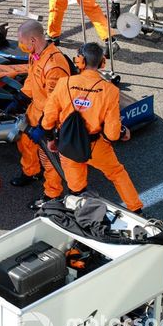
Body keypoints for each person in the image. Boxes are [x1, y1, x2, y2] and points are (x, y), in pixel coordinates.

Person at [41, 42, 143, 212]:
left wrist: (52, 140)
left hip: (69, 145)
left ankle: (84, 219)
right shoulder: (110, 91)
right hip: (97, 146)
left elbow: (47, 119)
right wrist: (123, 131)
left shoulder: (63, 83)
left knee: (76, 190)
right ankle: (136, 210)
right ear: (102, 62)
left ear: (80, 61)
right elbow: (112, 133)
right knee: (117, 173)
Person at [8, 20, 72, 210]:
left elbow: (55, 102)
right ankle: (31, 172)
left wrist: (45, 127)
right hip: (35, 110)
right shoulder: (35, 55)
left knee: (49, 157)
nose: (20, 46)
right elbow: (31, 80)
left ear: (33, 40)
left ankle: (51, 194)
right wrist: (20, 99)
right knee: (25, 143)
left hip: (50, 117)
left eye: (22, 42)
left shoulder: (54, 66)